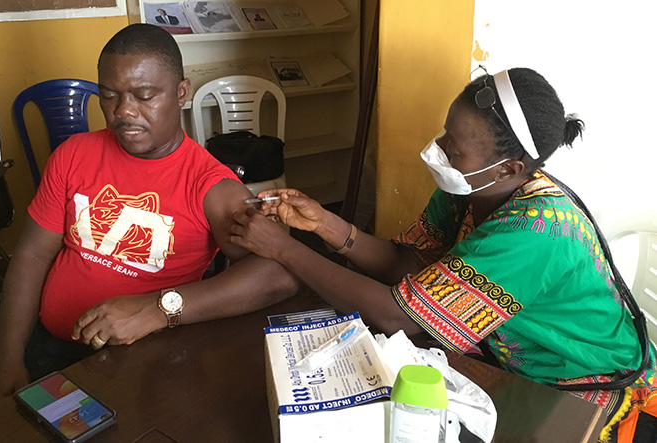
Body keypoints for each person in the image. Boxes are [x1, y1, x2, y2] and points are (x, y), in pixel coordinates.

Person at [229, 67, 657, 442]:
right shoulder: (468, 186)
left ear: (508, 169)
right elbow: (408, 264)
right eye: (445, 135)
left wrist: (284, 248)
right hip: (509, 367)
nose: (437, 151)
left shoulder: (537, 232)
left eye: (453, 148)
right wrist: (323, 223)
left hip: (583, 393)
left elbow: (397, 313)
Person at [0, 23, 297, 416]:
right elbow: (32, 256)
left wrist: (157, 308)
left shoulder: (210, 185)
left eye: (144, 96)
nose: (123, 111)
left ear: (181, 92)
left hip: (137, 361)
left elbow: (280, 273)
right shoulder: (74, 154)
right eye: (109, 96)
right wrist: (7, 359)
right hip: (43, 346)